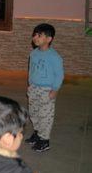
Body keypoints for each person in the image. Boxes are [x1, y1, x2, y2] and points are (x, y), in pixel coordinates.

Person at [24, 23, 64, 152]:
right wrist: (30, 84)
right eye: (34, 34)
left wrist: (55, 89)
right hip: (34, 88)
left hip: (47, 90)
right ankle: (38, 133)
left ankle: (45, 140)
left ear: (49, 39)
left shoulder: (54, 57)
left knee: (45, 115)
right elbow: (31, 70)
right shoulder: (33, 53)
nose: (35, 37)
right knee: (34, 112)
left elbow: (59, 75)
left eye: (39, 35)